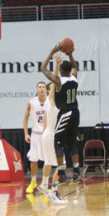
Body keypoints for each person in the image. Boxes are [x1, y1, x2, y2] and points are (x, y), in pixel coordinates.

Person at [41, 44, 80, 187]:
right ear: (69, 70)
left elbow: (43, 69)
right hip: (76, 112)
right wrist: (70, 55)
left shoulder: (59, 81)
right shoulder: (74, 78)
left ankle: (62, 172)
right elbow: (75, 66)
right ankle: (76, 170)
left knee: (58, 141)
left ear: (61, 71)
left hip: (66, 112)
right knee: (72, 141)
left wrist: (52, 51)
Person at [37, 52, 67, 204]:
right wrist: (57, 65)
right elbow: (54, 82)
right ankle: (53, 190)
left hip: (50, 134)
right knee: (60, 164)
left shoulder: (55, 103)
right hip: (51, 135)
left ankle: (44, 185)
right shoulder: (51, 99)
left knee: (50, 162)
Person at [23, 81, 49, 194]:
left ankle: (44, 183)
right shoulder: (32, 102)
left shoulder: (50, 102)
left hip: (46, 134)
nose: (41, 89)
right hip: (35, 134)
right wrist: (25, 133)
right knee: (34, 159)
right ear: (37, 89)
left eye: (43, 87)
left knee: (47, 160)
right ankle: (33, 181)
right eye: (39, 87)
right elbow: (25, 118)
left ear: (46, 89)